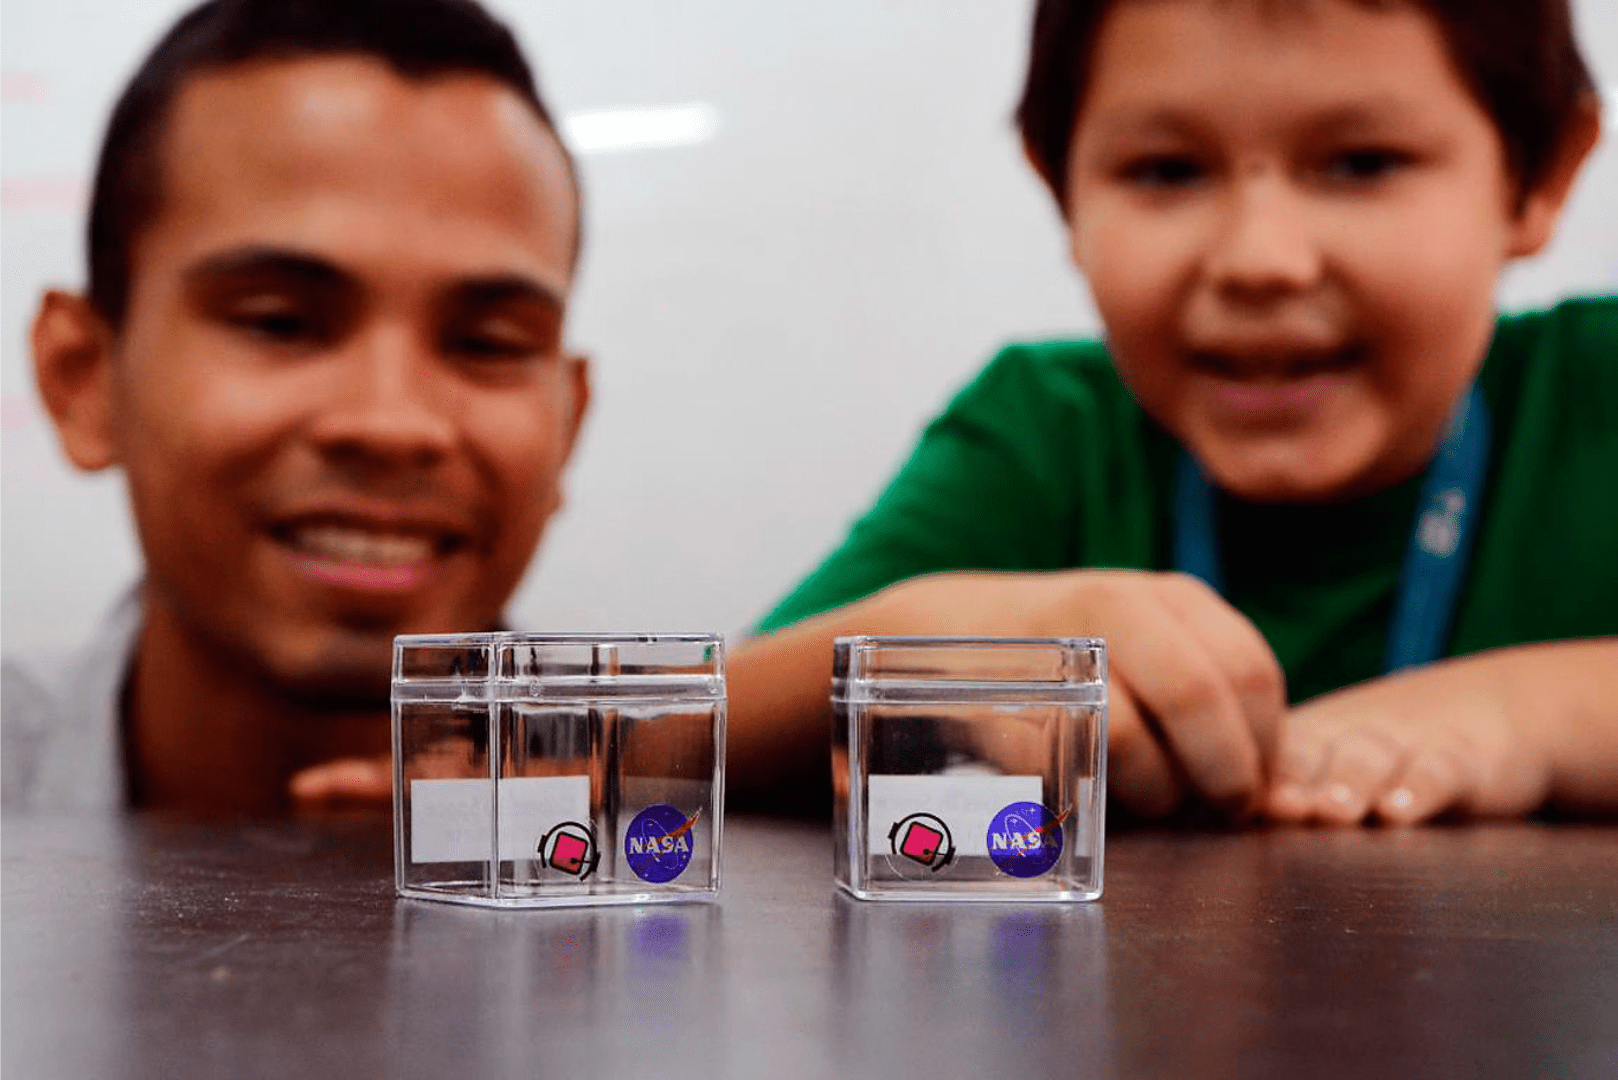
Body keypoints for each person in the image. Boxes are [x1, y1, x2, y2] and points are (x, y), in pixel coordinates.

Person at [728, 0, 1618, 825]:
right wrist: (920, 640)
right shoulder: (1047, 427)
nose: (1259, 261)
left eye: (1362, 163)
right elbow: (672, 738)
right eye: (1167, 171)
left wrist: (1521, 712)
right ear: (1061, 193)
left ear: (1537, 177)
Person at [3, 0, 588, 814]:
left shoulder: (701, 827)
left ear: (571, 421)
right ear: (84, 378)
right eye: (279, 322)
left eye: (487, 343)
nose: (392, 424)